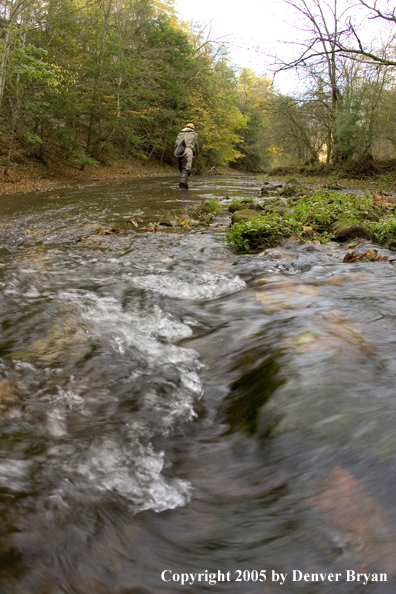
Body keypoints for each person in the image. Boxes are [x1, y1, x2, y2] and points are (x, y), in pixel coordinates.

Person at [174, 123, 203, 190]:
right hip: (188, 150)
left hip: (178, 150)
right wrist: (197, 153)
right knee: (187, 167)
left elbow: (176, 144)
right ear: (193, 128)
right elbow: (198, 145)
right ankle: (183, 184)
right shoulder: (194, 135)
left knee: (181, 167)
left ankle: (183, 183)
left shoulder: (180, 134)